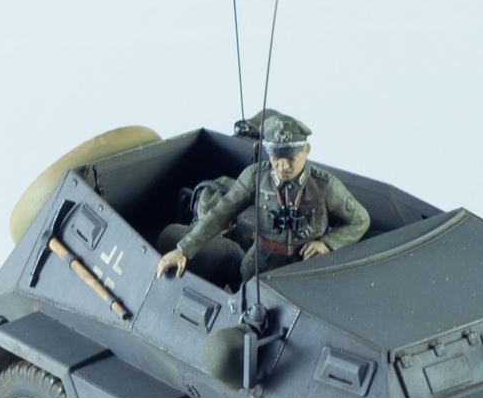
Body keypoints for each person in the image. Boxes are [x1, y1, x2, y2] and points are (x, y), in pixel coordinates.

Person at [155, 111, 369, 282]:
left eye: (291, 159)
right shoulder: (255, 177)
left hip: (303, 271)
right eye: (276, 158)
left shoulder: (326, 187)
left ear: (306, 151)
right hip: (259, 265)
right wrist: (184, 250)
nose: (283, 167)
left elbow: (360, 220)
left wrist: (327, 243)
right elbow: (220, 213)